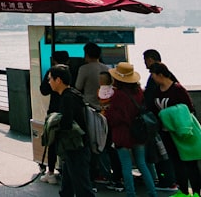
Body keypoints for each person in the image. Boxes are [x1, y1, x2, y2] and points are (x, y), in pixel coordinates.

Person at [145, 62, 200, 195]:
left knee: (190, 163)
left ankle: (196, 191)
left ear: (161, 75)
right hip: (167, 133)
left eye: (153, 75)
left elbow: (189, 110)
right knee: (176, 163)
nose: (152, 78)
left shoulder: (177, 89)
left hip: (182, 132)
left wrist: (169, 115)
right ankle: (183, 190)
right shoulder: (157, 91)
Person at [105, 62, 157, 197]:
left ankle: (131, 194)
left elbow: (115, 118)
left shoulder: (118, 95)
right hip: (138, 132)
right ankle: (152, 192)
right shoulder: (139, 92)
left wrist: (107, 111)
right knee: (142, 164)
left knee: (126, 166)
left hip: (123, 135)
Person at [47, 65, 95, 197]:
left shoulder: (67, 98)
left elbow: (67, 123)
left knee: (82, 187)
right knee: (68, 185)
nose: (48, 82)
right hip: (76, 146)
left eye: (50, 79)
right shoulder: (74, 94)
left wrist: (54, 125)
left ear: (58, 80)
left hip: (75, 146)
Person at [38, 50, 70, 185]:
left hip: (54, 109)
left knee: (51, 141)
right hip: (67, 110)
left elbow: (43, 90)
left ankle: (50, 172)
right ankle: (66, 170)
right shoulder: (73, 69)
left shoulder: (54, 71)